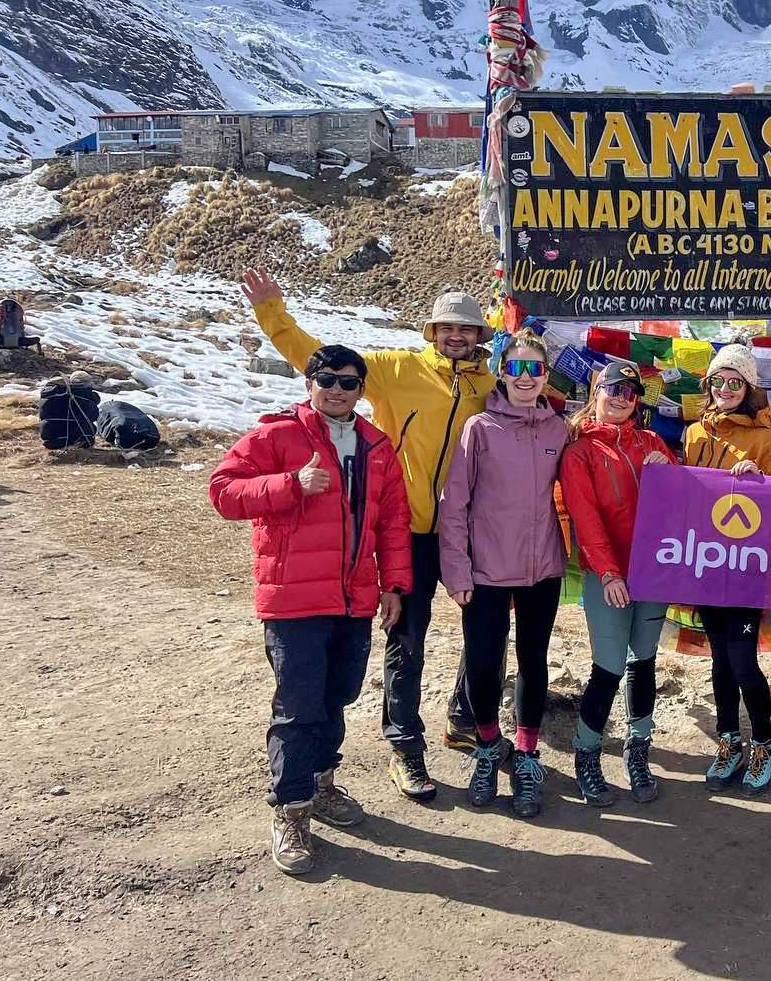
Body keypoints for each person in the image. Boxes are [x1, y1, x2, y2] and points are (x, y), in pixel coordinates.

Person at [241, 267, 495, 803]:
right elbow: (318, 360)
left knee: (487, 634)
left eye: (466, 329)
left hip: (470, 530)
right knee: (408, 638)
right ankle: (405, 743)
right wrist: (273, 313)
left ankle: (465, 718)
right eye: (446, 327)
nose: (456, 336)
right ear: (431, 332)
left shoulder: (490, 388)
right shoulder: (393, 368)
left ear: (479, 337)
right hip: (407, 530)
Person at [209, 345, 410, 876]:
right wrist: (289, 485)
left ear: (362, 390)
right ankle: (291, 808)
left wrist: (395, 585)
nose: (338, 390)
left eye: (349, 382)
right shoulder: (276, 436)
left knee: (337, 695)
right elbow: (223, 492)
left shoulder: (376, 445)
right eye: (327, 379)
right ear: (309, 383)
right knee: (298, 706)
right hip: (295, 597)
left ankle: (321, 783)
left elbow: (392, 521)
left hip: (354, 597)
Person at [438, 330, 567, 815]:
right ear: (503, 372)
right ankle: (490, 748)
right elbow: (455, 503)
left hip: (543, 569)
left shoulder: (559, 429)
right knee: (483, 662)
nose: (526, 378)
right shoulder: (480, 428)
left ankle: (529, 754)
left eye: (535, 369)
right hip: (487, 567)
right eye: (517, 368)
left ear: (545, 376)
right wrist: (457, 570)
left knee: (534, 662)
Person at [559, 360, 677, 806]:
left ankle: (638, 750)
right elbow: (586, 519)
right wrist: (607, 572)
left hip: (652, 572)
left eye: (630, 392)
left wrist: (664, 467)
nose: (621, 398)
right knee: (607, 668)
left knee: (643, 662)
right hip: (609, 576)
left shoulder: (651, 441)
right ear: (596, 391)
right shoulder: (580, 450)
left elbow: (678, 500)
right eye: (613, 388)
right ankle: (587, 754)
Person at [682, 344, 771, 795]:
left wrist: (758, 484)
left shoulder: (764, 439)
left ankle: (764, 740)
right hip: (707, 563)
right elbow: (684, 494)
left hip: (745, 566)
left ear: (748, 389)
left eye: (735, 382)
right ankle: (728, 739)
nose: (725, 390)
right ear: (708, 386)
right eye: (718, 381)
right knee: (720, 660)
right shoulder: (692, 434)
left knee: (744, 661)